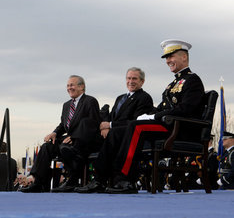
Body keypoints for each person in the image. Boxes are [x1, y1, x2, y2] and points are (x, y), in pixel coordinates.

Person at [104, 39, 205, 194]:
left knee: (136, 128)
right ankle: (107, 177)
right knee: (119, 130)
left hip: (181, 129)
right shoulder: (173, 84)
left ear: (184, 57)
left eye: (171, 56)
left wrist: (155, 116)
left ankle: (126, 179)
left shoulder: (192, 80)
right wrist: (149, 115)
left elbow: (186, 109)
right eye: (166, 58)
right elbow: (164, 107)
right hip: (169, 125)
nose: (168, 61)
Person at [75, 67, 154, 193]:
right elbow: (111, 116)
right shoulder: (120, 98)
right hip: (111, 132)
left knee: (112, 136)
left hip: (127, 134)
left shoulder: (144, 98)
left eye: (134, 78)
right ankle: (76, 163)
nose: (131, 81)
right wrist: (105, 126)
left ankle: (99, 180)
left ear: (142, 81)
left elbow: (136, 122)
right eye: (128, 78)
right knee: (87, 127)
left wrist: (111, 125)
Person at [21, 75, 101, 193]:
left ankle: (72, 180)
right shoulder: (66, 105)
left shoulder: (90, 101)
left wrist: (74, 137)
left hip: (85, 141)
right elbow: (63, 125)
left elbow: (92, 123)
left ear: (82, 86)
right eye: (68, 86)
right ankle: (38, 182)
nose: (69, 88)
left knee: (65, 147)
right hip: (68, 140)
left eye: (72, 85)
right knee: (46, 147)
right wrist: (54, 133)